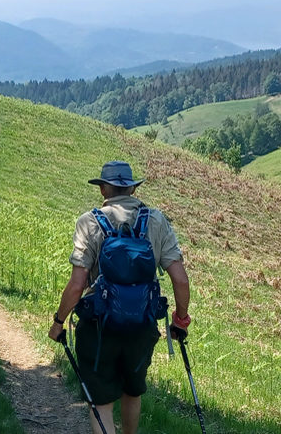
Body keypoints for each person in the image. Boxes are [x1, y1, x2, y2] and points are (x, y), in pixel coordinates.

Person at [48, 160, 191, 434]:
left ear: (103, 189)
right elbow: (180, 279)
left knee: (101, 401)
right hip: (142, 325)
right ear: (133, 189)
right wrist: (180, 320)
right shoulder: (157, 221)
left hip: (99, 326)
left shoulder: (89, 222)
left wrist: (58, 321)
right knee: (132, 391)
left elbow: (77, 285)